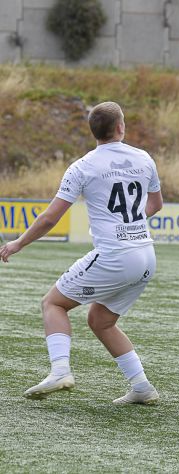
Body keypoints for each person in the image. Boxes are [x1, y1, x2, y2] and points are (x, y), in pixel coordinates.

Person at [0, 102, 163, 404]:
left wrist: (17, 243)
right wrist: (129, 226)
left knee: (53, 303)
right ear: (120, 127)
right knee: (101, 320)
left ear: (93, 131)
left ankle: (60, 370)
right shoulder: (144, 158)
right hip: (145, 256)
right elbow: (155, 205)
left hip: (115, 256)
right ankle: (142, 386)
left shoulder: (83, 166)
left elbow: (50, 217)